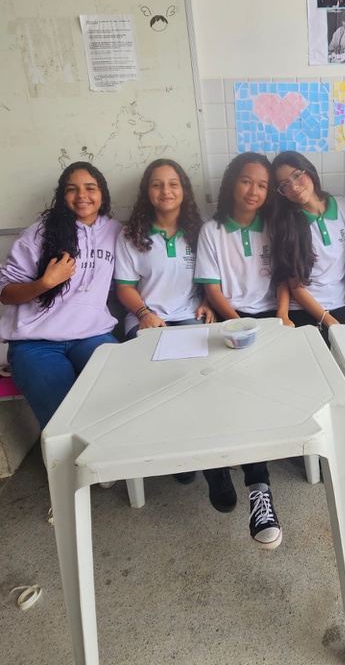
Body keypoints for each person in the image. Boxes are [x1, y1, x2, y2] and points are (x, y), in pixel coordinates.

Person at [194, 152, 289, 550]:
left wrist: (280, 316)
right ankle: (229, 473)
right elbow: (212, 289)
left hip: (269, 318)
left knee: (258, 395)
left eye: (263, 185)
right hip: (228, 320)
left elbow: (284, 278)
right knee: (228, 392)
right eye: (247, 181)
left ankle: (256, 486)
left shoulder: (275, 226)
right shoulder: (212, 231)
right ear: (232, 182)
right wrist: (239, 325)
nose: (254, 191)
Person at [113, 159, 221, 491]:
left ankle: (211, 465)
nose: (166, 191)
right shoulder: (131, 235)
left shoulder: (200, 230)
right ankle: (179, 456)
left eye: (173, 184)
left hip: (188, 314)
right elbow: (124, 288)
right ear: (147, 191)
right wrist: (144, 313)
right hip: (146, 318)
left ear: (184, 189)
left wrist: (207, 300)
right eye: (157, 184)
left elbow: (210, 276)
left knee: (201, 377)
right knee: (159, 383)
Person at [0, 162, 122, 430]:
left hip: (92, 336)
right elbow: (5, 292)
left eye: (90, 188)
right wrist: (44, 283)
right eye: (72, 189)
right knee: (63, 423)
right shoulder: (40, 232)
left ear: (102, 194)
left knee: (119, 398)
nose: (82, 196)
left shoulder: (116, 232)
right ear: (62, 195)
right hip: (36, 344)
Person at [270, 151, 345, 344]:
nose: (293, 186)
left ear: (309, 170)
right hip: (302, 308)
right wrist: (329, 322)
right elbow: (295, 286)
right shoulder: (286, 224)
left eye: (296, 175)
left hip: (341, 304)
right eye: (284, 185)